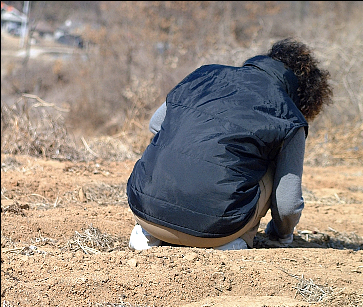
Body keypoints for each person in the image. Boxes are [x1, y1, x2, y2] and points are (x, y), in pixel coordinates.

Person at [127, 38, 333, 251]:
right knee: (272, 165)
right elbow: (287, 204)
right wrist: (281, 237)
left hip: (146, 212)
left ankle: (147, 236)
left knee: (170, 140)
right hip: (218, 231)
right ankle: (235, 242)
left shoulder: (204, 75)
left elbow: (156, 124)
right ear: (305, 97)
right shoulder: (290, 116)